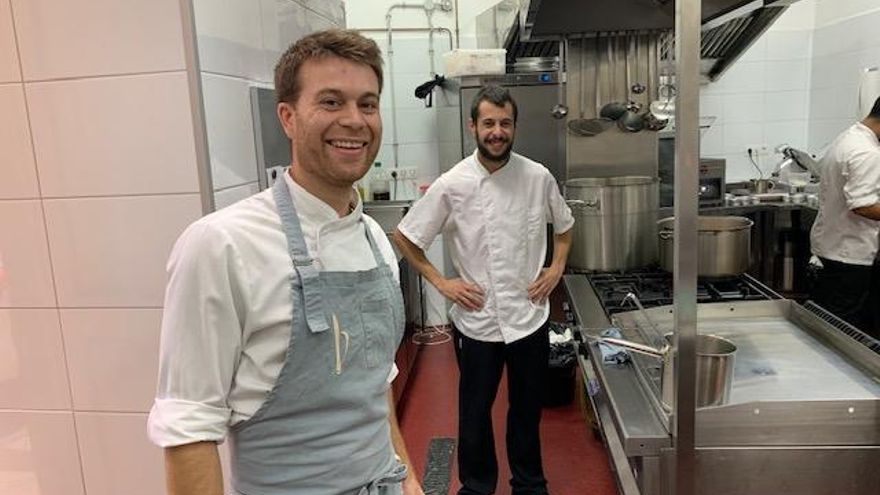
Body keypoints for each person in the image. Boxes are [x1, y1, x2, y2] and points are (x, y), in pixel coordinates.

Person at [147, 30, 424, 495]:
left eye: (368, 104)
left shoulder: (375, 239)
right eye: (331, 102)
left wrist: (408, 478)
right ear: (288, 117)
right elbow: (189, 428)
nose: (354, 120)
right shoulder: (221, 245)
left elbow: (375, 384)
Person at [393, 85, 574, 495]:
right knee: (474, 412)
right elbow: (406, 236)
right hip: (477, 321)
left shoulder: (537, 177)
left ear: (514, 127)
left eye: (505, 123)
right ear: (472, 126)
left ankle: (529, 484)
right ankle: (477, 487)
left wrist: (556, 268)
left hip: (529, 315)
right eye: (489, 123)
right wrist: (442, 282)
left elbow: (564, 227)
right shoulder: (452, 183)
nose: (497, 132)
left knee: (526, 410)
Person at [810, 96, 880, 338]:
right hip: (849, 256)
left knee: (827, 324)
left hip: (831, 248)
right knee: (841, 333)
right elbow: (862, 205)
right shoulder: (867, 152)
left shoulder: (848, 138)